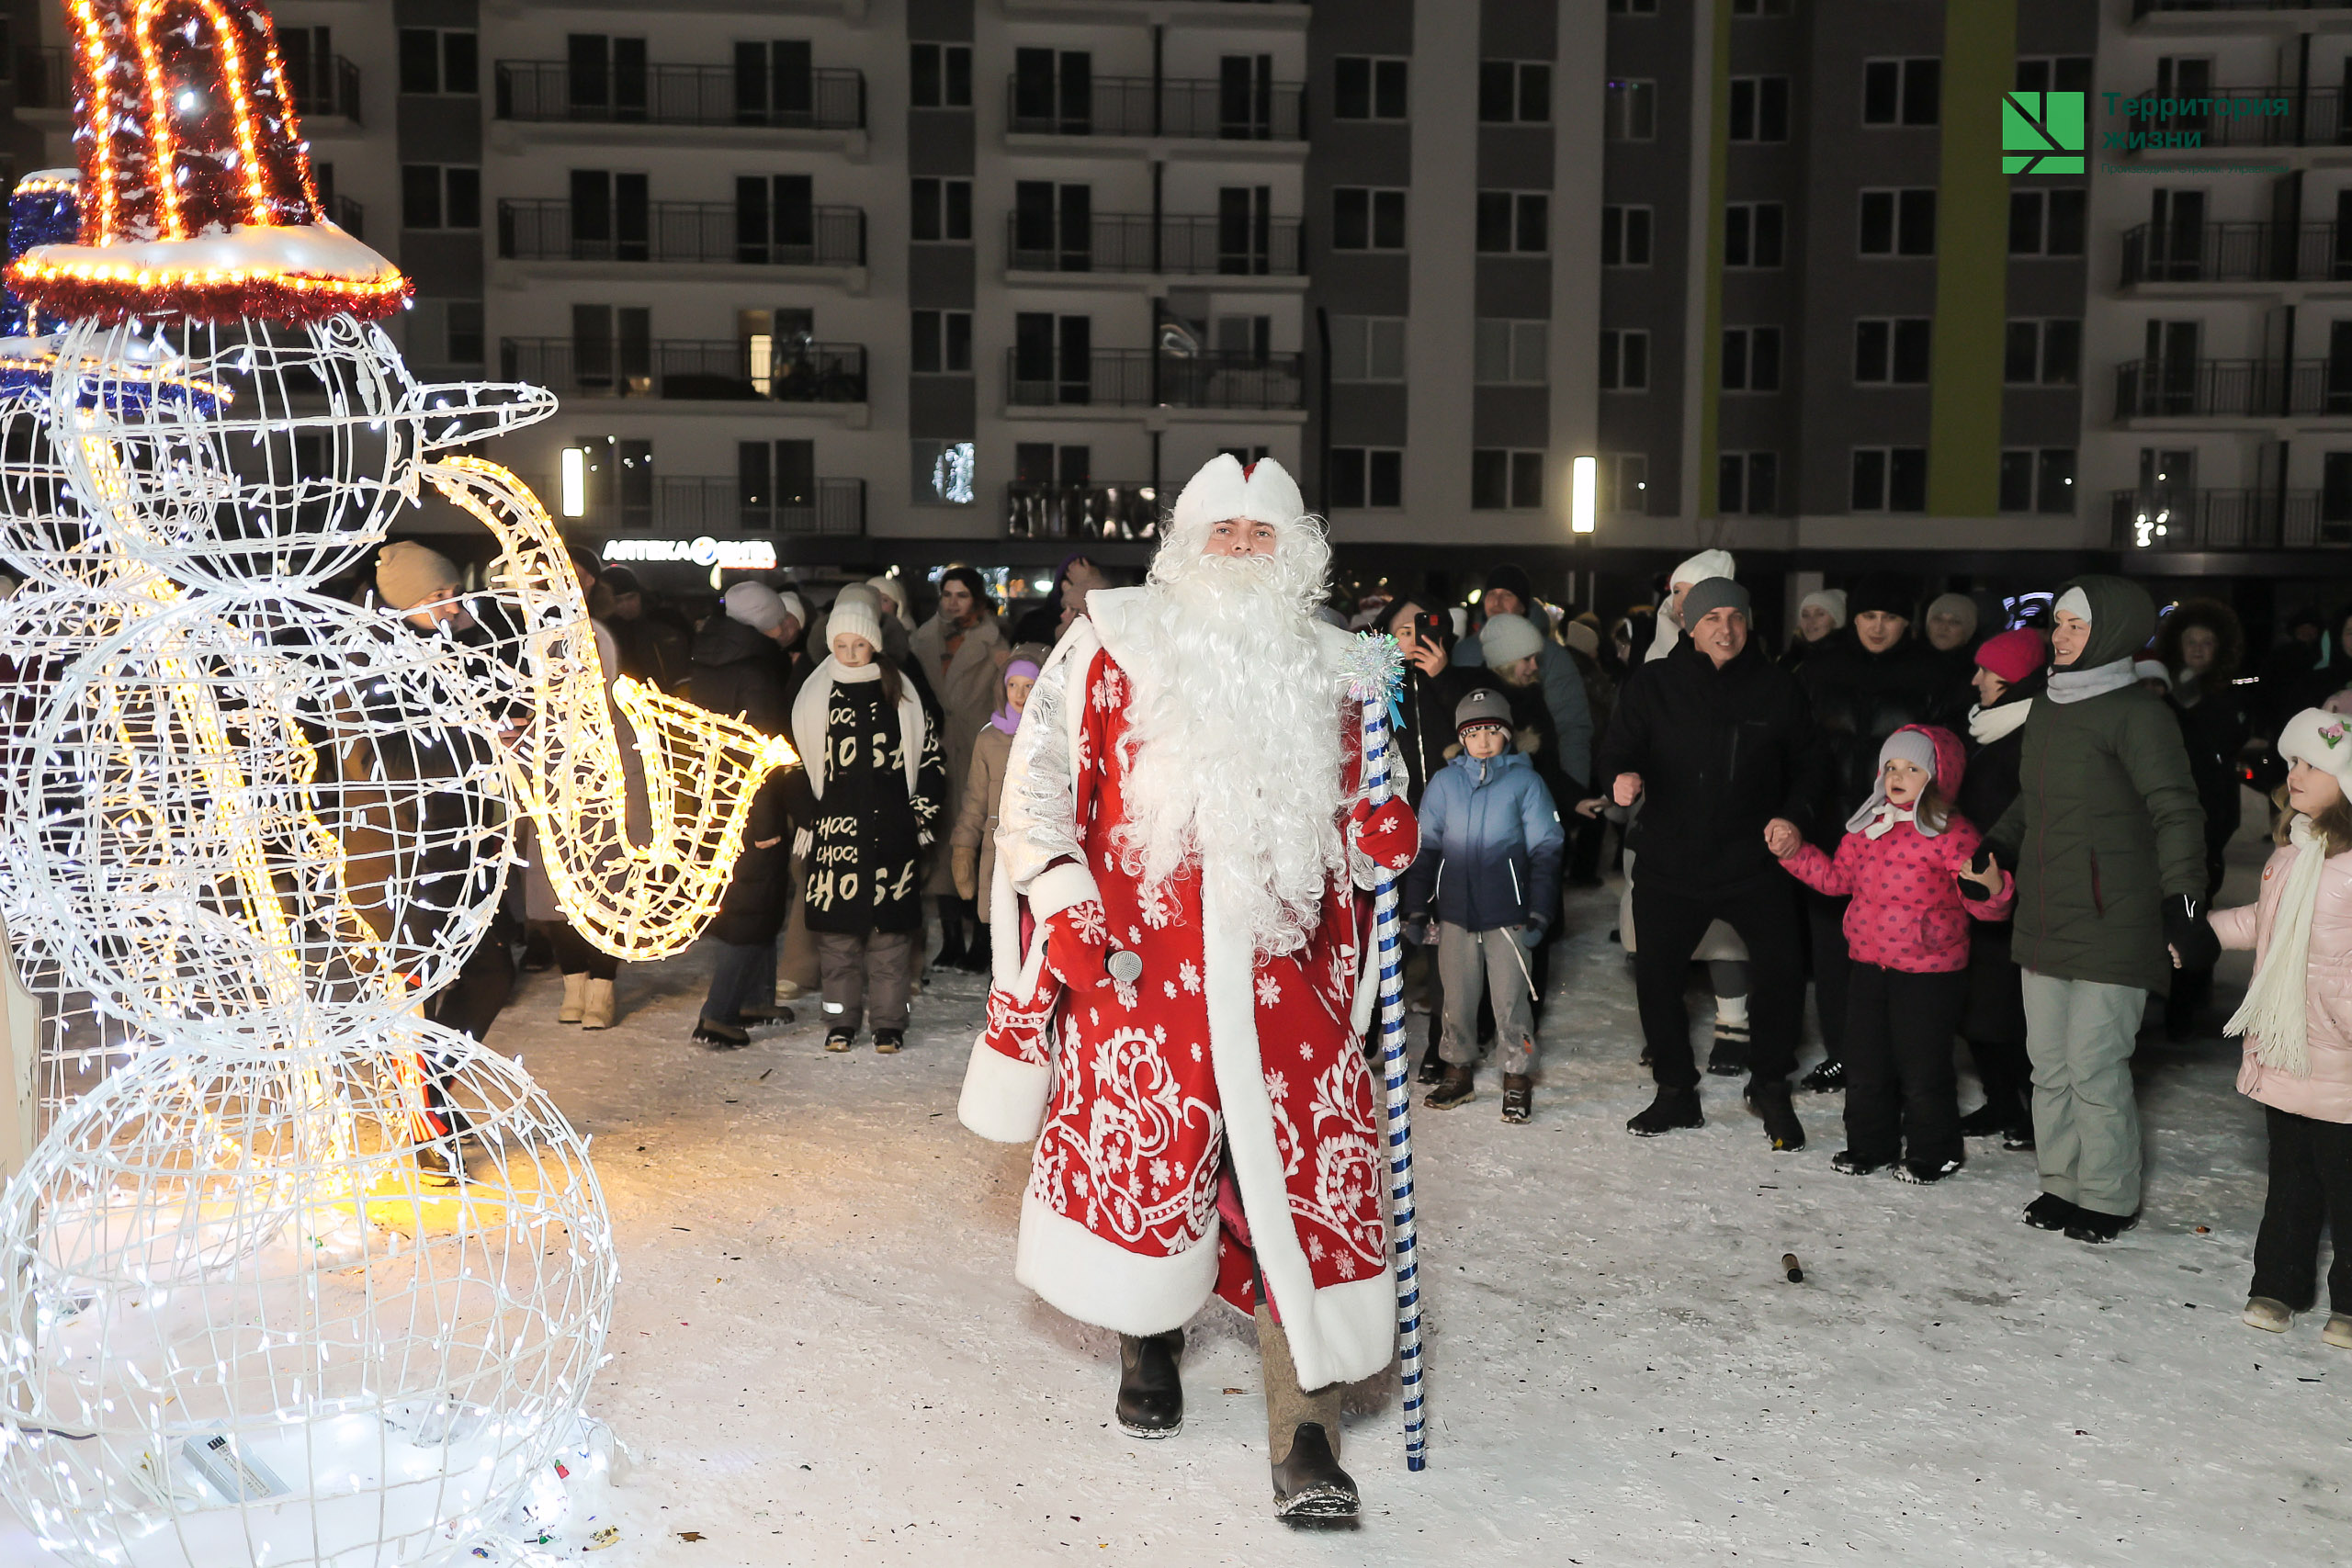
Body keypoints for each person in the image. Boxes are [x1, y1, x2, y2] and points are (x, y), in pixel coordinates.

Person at [956, 454, 1418, 1520]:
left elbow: (1361, 819)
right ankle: (1145, 1341)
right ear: (1185, 543)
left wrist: (1383, 836)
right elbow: (1038, 787)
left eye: (1265, 535)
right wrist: (1065, 904)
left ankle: (1306, 1433)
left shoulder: (1336, 667)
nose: (1244, 552)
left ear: (1297, 550)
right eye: (1226, 532)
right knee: (1151, 1168)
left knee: (1299, 1197)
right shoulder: (1110, 642)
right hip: (1141, 973)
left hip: (1285, 986)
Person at [1973, 576, 2213, 1244]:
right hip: (2047, 915)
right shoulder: (2050, 706)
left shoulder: (2140, 713)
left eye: (2077, 626)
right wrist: (1997, 843)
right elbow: (2032, 798)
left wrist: (2184, 902)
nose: (2062, 637)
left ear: (2110, 630)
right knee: (2047, 1065)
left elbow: (2176, 809)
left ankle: (2108, 1194)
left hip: (2118, 916)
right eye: (2059, 624)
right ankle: (2061, 1182)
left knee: (2094, 1064)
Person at [1593, 576, 1818, 1148]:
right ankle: (1675, 1091)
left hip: (1753, 861)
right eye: (1712, 617)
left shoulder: (1777, 689)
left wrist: (1794, 816)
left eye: (1735, 617)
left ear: (1749, 624)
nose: (1726, 628)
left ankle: (1769, 1083)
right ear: (1690, 625)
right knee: (1656, 975)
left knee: (1784, 970)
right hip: (1671, 858)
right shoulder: (1654, 684)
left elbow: (1811, 768)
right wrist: (1621, 775)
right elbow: (1619, 747)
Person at [1771, 725, 2014, 1182]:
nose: (1897, 775)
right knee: (1865, 1062)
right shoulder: (1869, 828)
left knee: (1921, 1066)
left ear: (1939, 777)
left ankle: (1933, 1150)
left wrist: (1994, 891)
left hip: (1929, 972)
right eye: (1890, 766)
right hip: (1869, 963)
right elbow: (1836, 880)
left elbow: (1986, 907)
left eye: (1912, 767)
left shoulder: (1953, 834)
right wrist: (1796, 852)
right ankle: (1870, 1145)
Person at [2212, 708, 2352, 1347]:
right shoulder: (2296, 847)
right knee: (2291, 1173)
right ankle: (2277, 1281)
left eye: (2310, 764)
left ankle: (2349, 1301)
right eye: (2291, 761)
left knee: (2345, 1185)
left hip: (2340, 1054)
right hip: (2285, 1046)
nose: (2292, 773)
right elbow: (2265, 925)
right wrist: (2201, 932)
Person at [1793, 571, 1953, 1093]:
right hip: (1833, 827)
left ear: (1906, 622)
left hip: (1904, 836)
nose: (1877, 627)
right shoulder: (1819, 669)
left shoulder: (1933, 674)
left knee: (1900, 952)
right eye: (1867, 616)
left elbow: (1945, 756)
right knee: (1833, 952)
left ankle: (1899, 1059)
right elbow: (1801, 749)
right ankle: (1845, 1053)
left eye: (1888, 618)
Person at [783, 597, 948, 1054]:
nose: (851, 653)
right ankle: (840, 1022)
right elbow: (792, 764)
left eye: (859, 644)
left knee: (891, 946)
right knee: (837, 946)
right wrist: (811, 817)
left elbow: (931, 758)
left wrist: (920, 815)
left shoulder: (902, 691)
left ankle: (890, 1023)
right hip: (834, 840)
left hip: (891, 836)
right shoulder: (813, 696)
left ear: (874, 643)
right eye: (841, 644)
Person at [1403, 688, 1566, 1122]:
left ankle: (1517, 1075)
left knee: (1511, 1001)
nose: (1483, 740)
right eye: (1473, 732)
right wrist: (1417, 906)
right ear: (1462, 737)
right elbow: (1425, 847)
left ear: (1506, 733)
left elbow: (1547, 849)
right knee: (1456, 998)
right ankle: (1457, 1069)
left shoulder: (1525, 783)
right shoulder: (1444, 783)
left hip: (1507, 916)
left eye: (1492, 730)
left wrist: (1540, 910)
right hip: (1454, 914)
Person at [686, 581, 801, 1047]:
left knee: (756, 902)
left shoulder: (709, 658)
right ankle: (718, 1013)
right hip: (753, 807)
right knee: (752, 908)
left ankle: (756, 996)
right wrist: (768, 823)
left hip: (712, 800)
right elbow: (764, 754)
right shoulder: (756, 671)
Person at [1955, 627, 2047, 1151]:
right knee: (1977, 1007)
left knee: (2006, 1011)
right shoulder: (1989, 728)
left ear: (2013, 679)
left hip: (2012, 890)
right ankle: (2001, 1100)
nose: (1977, 681)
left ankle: (2032, 1112)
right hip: (1976, 884)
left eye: (1987, 672)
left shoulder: (2032, 736)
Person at [2155, 597, 2253, 1040]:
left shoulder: (2227, 699)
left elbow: (2231, 751)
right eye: (2190, 641)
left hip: (2209, 823)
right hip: (2160, 821)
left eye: (2206, 642)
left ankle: (2186, 1003)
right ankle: (2169, 995)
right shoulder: (2159, 696)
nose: (2197, 649)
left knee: (2196, 910)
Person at [911, 567, 1007, 969]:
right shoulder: (921, 641)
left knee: (983, 844)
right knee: (939, 842)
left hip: (976, 751)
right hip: (934, 751)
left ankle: (983, 941)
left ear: (977, 599)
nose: (953, 602)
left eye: (962, 595)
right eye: (947, 594)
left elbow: (1006, 702)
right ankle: (950, 939)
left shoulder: (995, 645)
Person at [1452, 566, 1593, 794]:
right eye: (1491, 594)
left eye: (1507, 595)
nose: (1496, 602)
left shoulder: (1553, 657)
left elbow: (1572, 729)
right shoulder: (1463, 652)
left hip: (1541, 788)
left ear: (1523, 604)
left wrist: (1574, 795)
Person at [951, 643, 1046, 976]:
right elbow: (975, 798)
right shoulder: (988, 739)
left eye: (1029, 686)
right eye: (1012, 684)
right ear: (1002, 687)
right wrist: (963, 846)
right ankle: (1004, 1010)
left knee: (1039, 933)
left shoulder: (1049, 736)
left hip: (1040, 850)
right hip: (998, 852)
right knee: (1002, 937)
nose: (1019, 693)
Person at [598, 566, 691, 692]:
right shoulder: (602, 633)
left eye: (631, 597)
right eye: (619, 601)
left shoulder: (664, 621)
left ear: (640, 595)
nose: (626, 605)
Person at [1781, 588, 1846, 671]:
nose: (1811, 621)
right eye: (1805, 615)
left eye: (1820, 614)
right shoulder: (1790, 660)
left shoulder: (1842, 663)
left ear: (1836, 620)